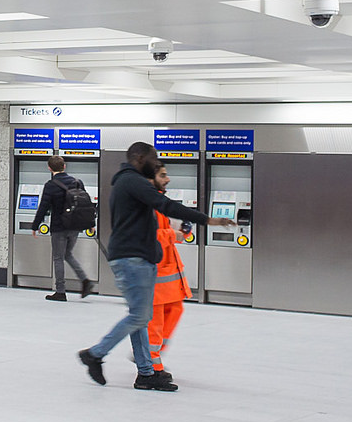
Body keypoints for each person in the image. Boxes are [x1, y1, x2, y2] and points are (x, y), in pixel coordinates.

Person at [79, 143, 230, 392]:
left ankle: (146, 373)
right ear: (140, 158)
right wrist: (208, 220)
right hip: (132, 259)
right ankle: (95, 354)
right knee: (140, 316)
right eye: (153, 158)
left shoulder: (128, 182)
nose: (156, 162)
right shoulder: (132, 181)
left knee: (140, 317)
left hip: (136, 257)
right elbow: (166, 205)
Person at [146, 162, 190, 385]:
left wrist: (181, 230)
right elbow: (148, 236)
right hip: (154, 271)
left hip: (168, 271)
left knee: (175, 309)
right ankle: (152, 365)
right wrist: (173, 234)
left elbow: (166, 230)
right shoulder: (147, 204)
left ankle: (150, 353)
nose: (168, 178)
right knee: (155, 320)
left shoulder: (160, 201)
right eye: (163, 175)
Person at [30, 154, 94, 300]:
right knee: (67, 254)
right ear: (64, 166)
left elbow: (43, 207)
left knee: (58, 257)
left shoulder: (50, 185)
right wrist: (91, 224)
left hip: (59, 227)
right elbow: (86, 205)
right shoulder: (77, 182)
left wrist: (35, 225)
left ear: (49, 168)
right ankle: (85, 280)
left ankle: (60, 291)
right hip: (75, 226)